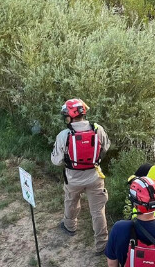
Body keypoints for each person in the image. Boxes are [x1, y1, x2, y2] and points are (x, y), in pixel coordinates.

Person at [51, 98, 111, 255]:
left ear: (70, 116)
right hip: (95, 177)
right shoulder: (98, 129)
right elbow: (105, 148)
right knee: (98, 211)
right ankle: (102, 245)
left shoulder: (64, 135)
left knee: (71, 201)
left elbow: (56, 161)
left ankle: (70, 226)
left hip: (73, 178)